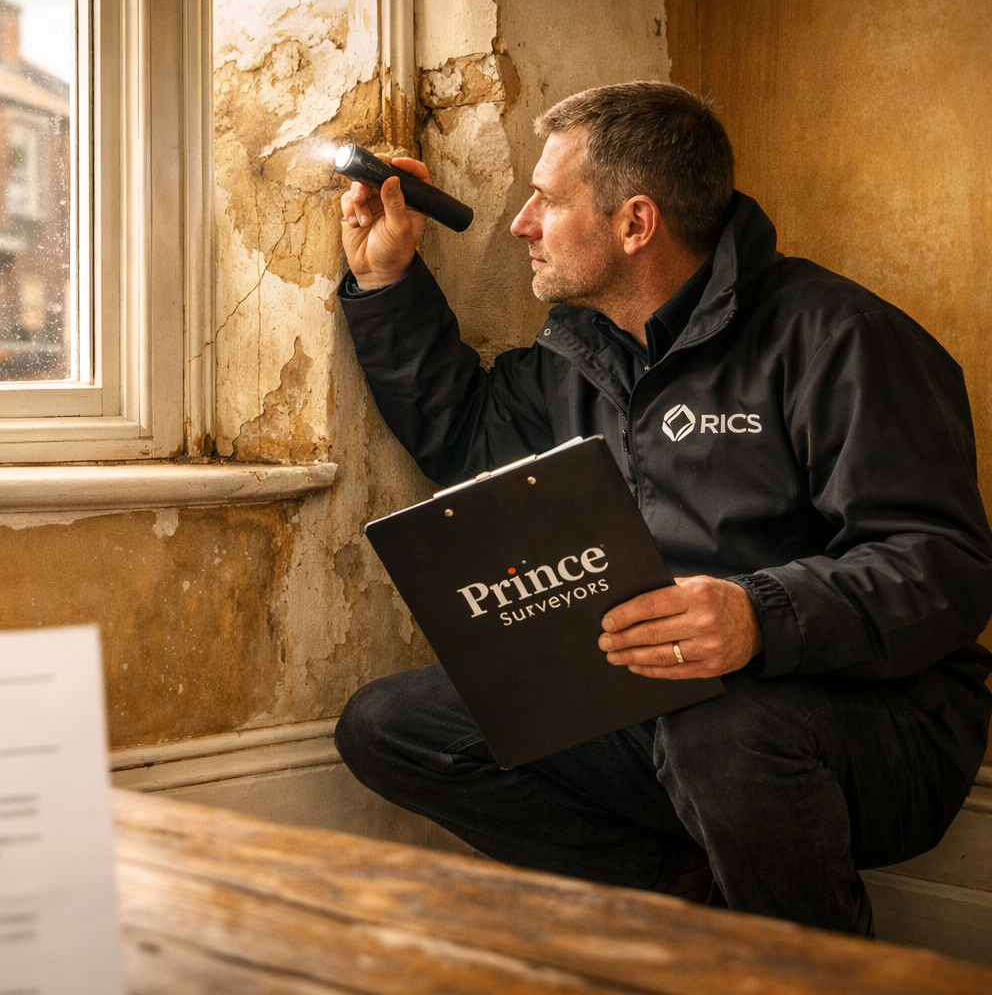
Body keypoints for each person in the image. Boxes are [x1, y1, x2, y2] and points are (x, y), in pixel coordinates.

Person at [332, 81, 992, 933]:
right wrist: (386, 279)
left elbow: (943, 567)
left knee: (719, 737)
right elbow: (466, 436)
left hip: (880, 719)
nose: (519, 223)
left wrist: (759, 614)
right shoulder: (582, 351)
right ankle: (681, 907)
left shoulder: (841, 339)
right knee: (389, 725)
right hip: (665, 700)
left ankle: (816, 973)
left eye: (546, 200)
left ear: (635, 224)